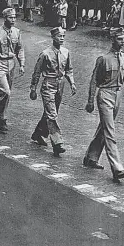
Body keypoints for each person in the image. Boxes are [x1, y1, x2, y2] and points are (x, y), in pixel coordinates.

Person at [84, 27, 124, 182]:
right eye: (120, 39)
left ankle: (91, 157)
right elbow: (94, 80)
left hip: (117, 96)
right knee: (110, 132)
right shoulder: (103, 59)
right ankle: (117, 168)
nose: (123, 42)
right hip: (105, 95)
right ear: (113, 39)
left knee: (104, 127)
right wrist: (90, 101)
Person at [29, 27, 76, 157]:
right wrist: (33, 89)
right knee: (52, 114)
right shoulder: (45, 54)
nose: (61, 38)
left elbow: (69, 70)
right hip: (48, 84)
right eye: (59, 36)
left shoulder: (66, 52)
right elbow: (37, 73)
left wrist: (72, 83)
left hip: (60, 85)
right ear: (53, 37)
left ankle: (38, 133)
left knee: (49, 112)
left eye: (63, 36)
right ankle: (57, 143)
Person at [0, 7, 25, 134]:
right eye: (10, 17)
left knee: (5, 94)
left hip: (11, 63)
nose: (13, 20)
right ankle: (0, 118)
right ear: (4, 18)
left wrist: (22, 64)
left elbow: (19, 49)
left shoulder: (17, 32)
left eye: (15, 17)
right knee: (6, 91)